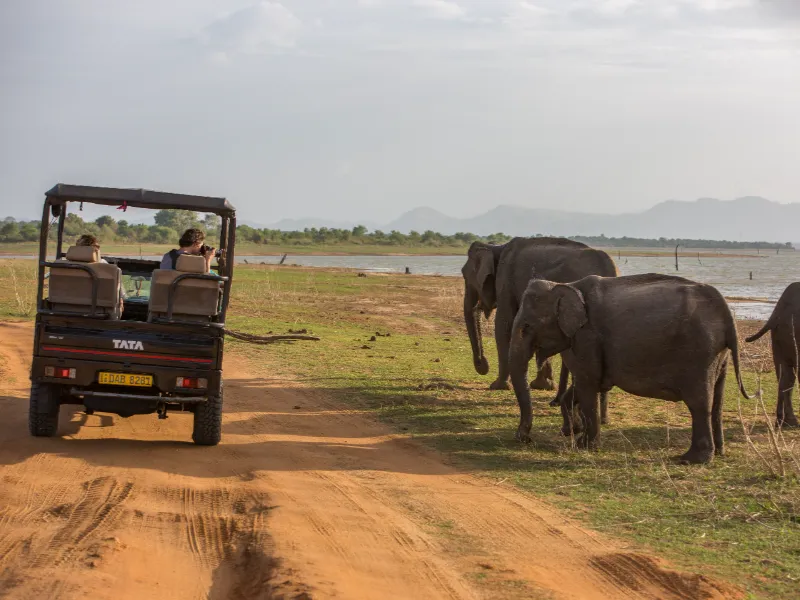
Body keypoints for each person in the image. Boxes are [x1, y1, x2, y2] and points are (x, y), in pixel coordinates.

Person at [76, 234, 125, 311]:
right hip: (99, 311)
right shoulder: (105, 266)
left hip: (64, 309)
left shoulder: (63, 266)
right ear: (94, 250)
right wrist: (121, 300)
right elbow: (118, 292)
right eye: (97, 247)